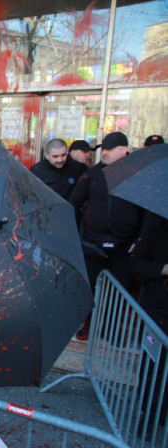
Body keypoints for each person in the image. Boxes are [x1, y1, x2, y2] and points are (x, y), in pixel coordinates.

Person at [69, 131, 143, 340]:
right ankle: (89, 323)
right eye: (104, 149)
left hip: (124, 245)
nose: (105, 154)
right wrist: (75, 234)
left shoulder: (136, 174)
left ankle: (111, 328)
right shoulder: (92, 174)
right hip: (93, 242)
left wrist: (140, 240)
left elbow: (146, 212)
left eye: (110, 150)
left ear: (124, 150)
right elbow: (73, 203)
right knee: (89, 287)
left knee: (120, 289)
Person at [131, 214, 168, 431]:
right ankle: (148, 412)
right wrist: (162, 269)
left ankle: (160, 412)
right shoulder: (156, 230)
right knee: (153, 363)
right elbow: (135, 265)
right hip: (156, 308)